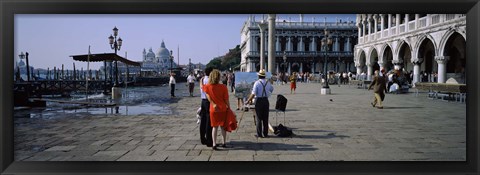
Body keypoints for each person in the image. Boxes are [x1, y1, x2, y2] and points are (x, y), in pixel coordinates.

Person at [203, 69, 230, 150]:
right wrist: (229, 107)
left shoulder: (208, 86)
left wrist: (213, 103)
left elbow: (207, 95)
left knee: (214, 127)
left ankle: (214, 144)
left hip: (213, 109)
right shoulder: (223, 87)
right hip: (222, 109)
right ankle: (224, 142)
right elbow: (226, 99)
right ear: (219, 77)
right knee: (223, 127)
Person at [247, 69, 274, 138]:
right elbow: (271, 89)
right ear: (264, 76)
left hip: (259, 101)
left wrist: (248, 100)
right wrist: (267, 93)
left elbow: (253, 93)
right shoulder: (268, 82)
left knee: (258, 118)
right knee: (265, 118)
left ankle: (259, 134)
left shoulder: (257, 83)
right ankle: (265, 133)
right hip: (266, 100)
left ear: (259, 76)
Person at [199, 67, 213, 147]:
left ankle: (202, 138)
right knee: (209, 121)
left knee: (203, 120)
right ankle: (209, 140)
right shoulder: (210, 81)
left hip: (203, 101)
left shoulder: (202, 79)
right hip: (208, 101)